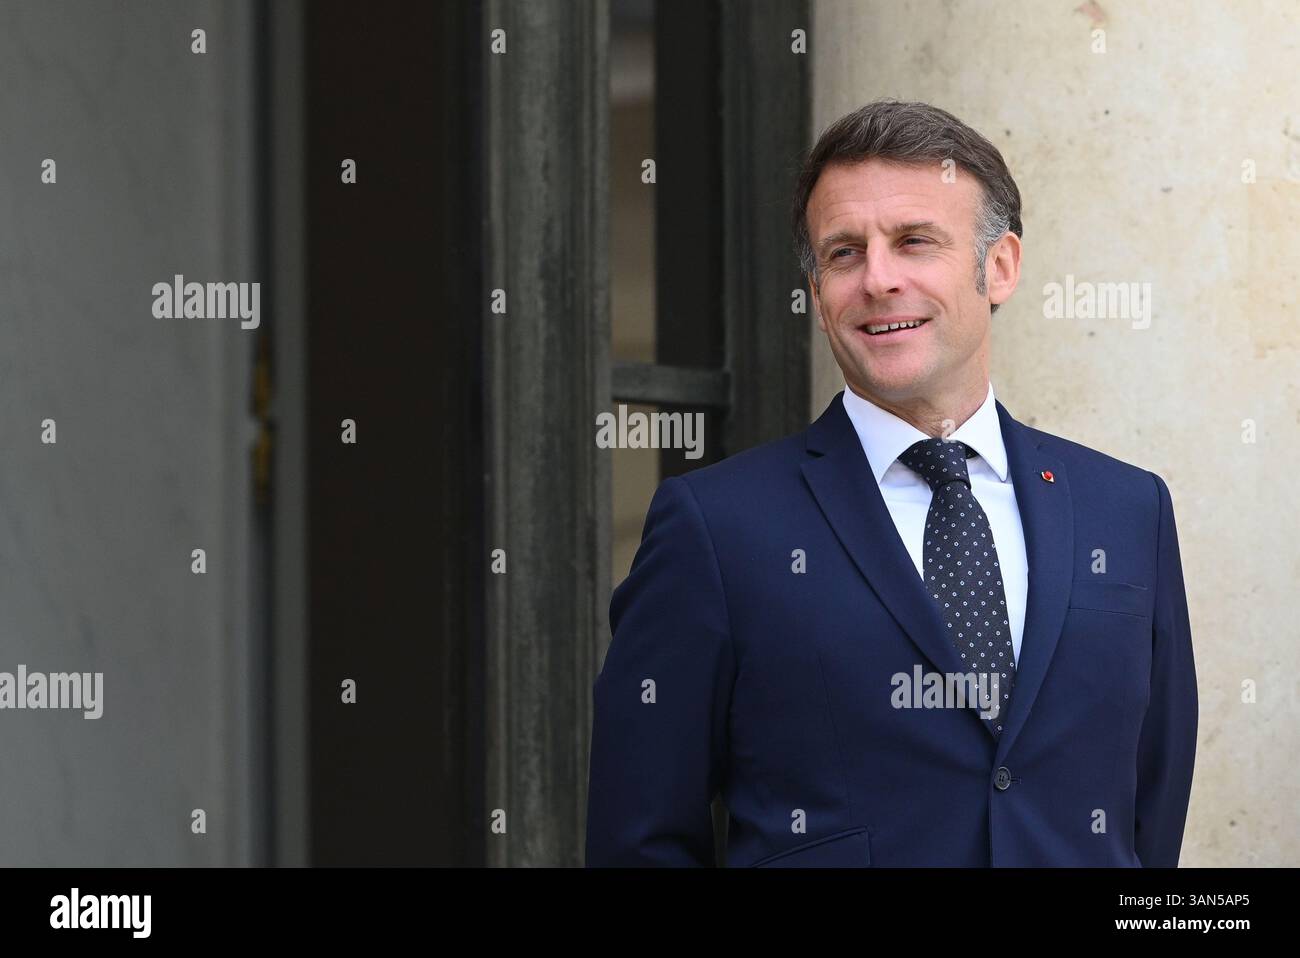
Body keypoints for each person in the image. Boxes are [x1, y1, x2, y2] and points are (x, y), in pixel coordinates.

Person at [585, 100, 1198, 867]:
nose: (877, 279)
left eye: (914, 241)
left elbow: (1151, 812)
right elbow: (639, 839)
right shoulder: (716, 528)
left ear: (1000, 267)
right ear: (817, 294)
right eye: (844, 253)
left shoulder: (1128, 510)